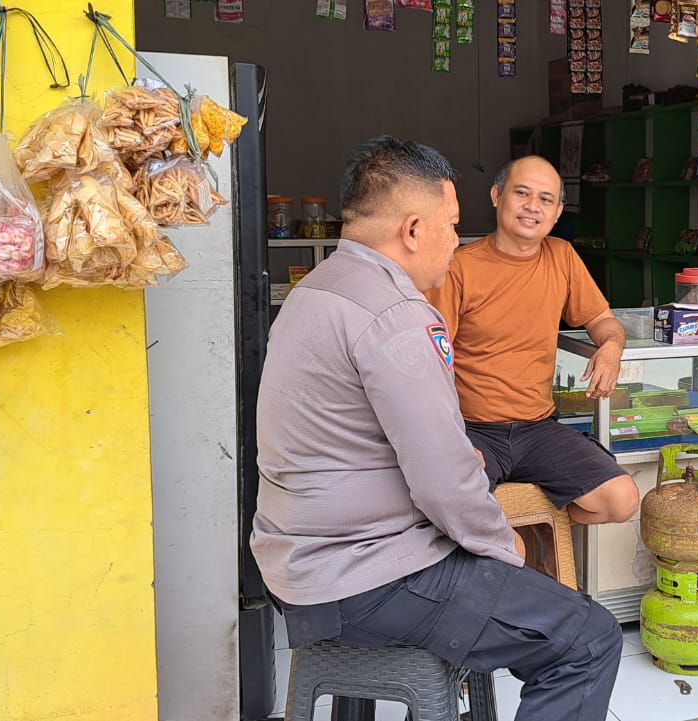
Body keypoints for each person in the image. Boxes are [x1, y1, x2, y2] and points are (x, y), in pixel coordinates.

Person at [250, 136, 621, 721]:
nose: (457, 240)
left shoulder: (315, 289)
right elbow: (444, 480)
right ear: (415, 229)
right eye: (452, 225)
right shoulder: (398, 316)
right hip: (367, 576)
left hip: (298, 559)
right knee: (588, 638)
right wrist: (505, 544)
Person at [424, 155, 640, 527]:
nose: (532, 207)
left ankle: (539, 525)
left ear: (557, 212)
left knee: (620, 501)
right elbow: (429, 360)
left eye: (545, 199)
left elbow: (603, 320)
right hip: (472, 429)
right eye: (521, 193)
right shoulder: (458, 267)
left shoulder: (563, 257)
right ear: (496, 195)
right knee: (450, 511)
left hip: (538, 429)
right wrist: (446, 436)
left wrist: (611, 348)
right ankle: (511, 538)